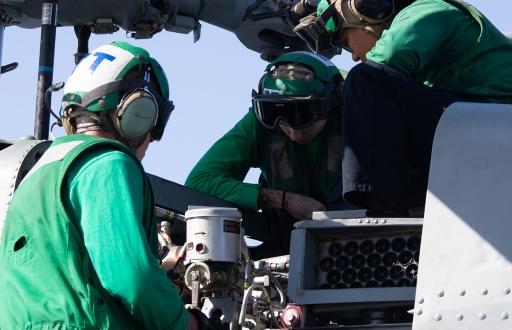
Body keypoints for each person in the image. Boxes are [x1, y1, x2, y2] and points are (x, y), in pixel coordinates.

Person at [0, 42, 202, 329]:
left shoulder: (41, 171)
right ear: (137, 112)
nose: (152, 139)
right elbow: (133, 278)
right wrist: (187, 323)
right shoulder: (108, 164)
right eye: (154, 121)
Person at [293, 0, 512, 216]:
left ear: (367, 10)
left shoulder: (429, 11)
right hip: (479, 126)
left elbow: (386, 58)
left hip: (497, 125)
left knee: (364, 80)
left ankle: (382, 207)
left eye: (347, 43)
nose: (354, 56)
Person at [185, 51, 347, 258]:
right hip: (289, 242)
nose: (294, 132)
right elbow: (199, 181)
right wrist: (280, 199)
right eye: (282, 120)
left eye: (303, 117)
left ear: (329, 105)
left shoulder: (359, 111)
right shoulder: (258, 123)